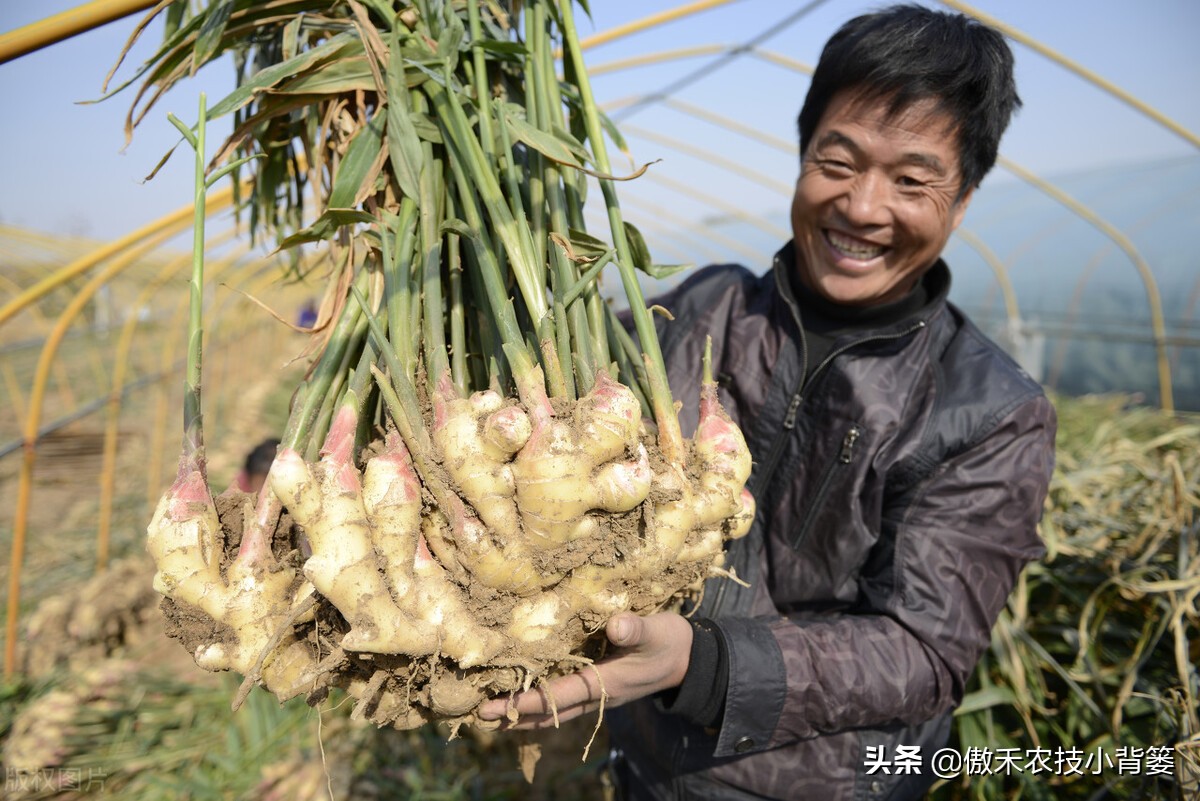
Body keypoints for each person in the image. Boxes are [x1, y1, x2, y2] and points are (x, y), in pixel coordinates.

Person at [477, 5, 1057, 800]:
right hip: (645, 760)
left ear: (962, 199)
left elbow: (923, 653)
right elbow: (535, 390)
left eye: (912, 180)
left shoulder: (989, 409)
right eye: (839, 161)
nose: (861, 206)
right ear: (802, 156)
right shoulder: (705, 309)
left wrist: (701, 660)